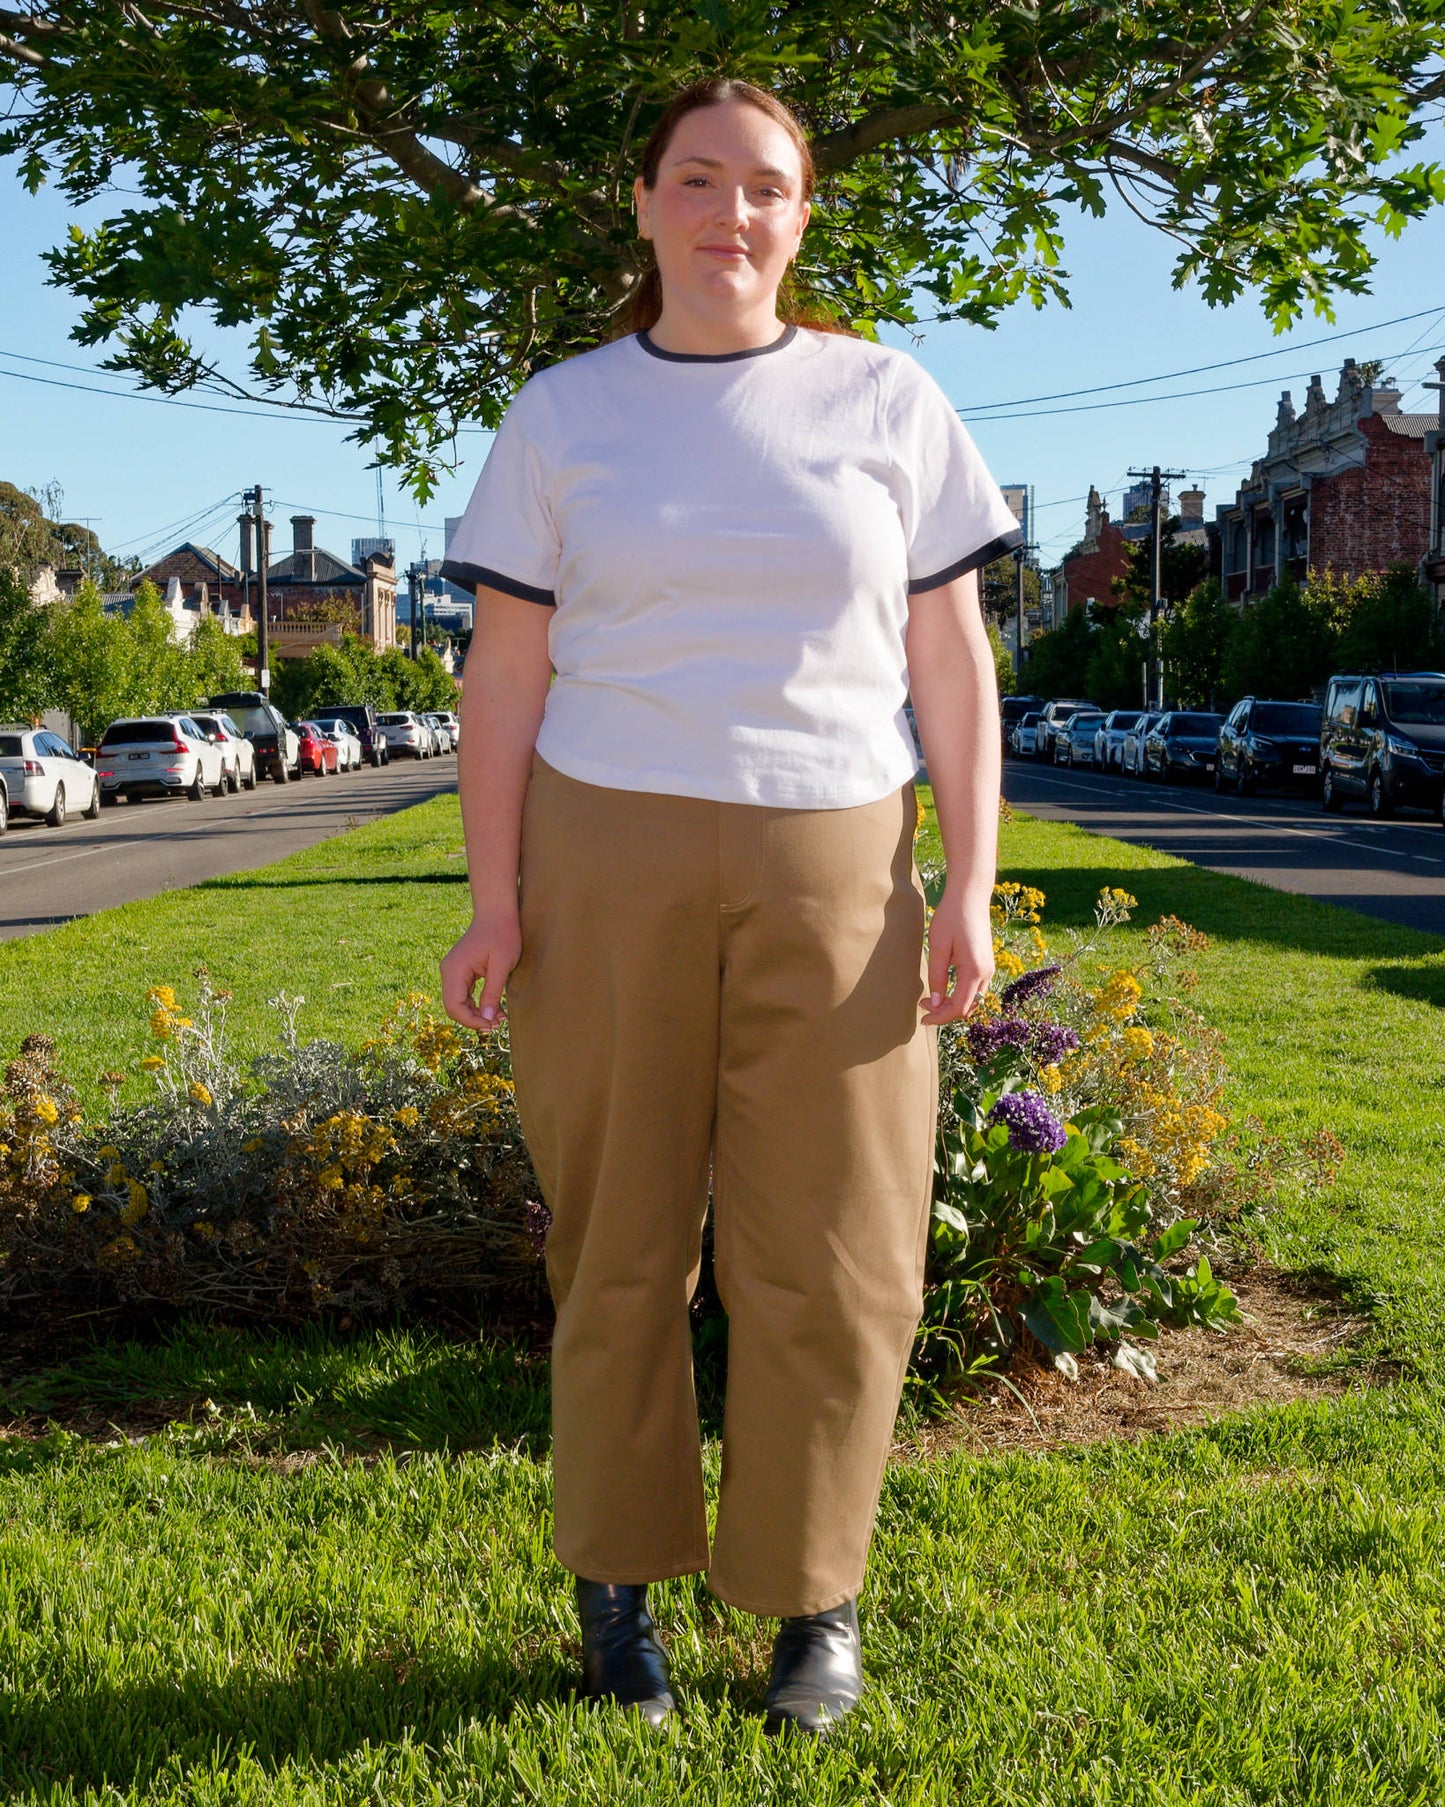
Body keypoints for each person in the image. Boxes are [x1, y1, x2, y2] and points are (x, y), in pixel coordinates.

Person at [439, 76, 1021, 1736]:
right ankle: (616, 1593)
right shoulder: (564, 414)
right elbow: (507, 669)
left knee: (836, 1259)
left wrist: (965, 888)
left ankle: (809, 1603)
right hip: (605, 848)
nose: (731, 214)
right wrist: (497, 898)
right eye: (697, 181)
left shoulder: (887, 400)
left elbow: (949, 660)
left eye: (764, 186)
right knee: (619, 1247)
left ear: (801, 214)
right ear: (643, 207)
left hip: (834, 857)